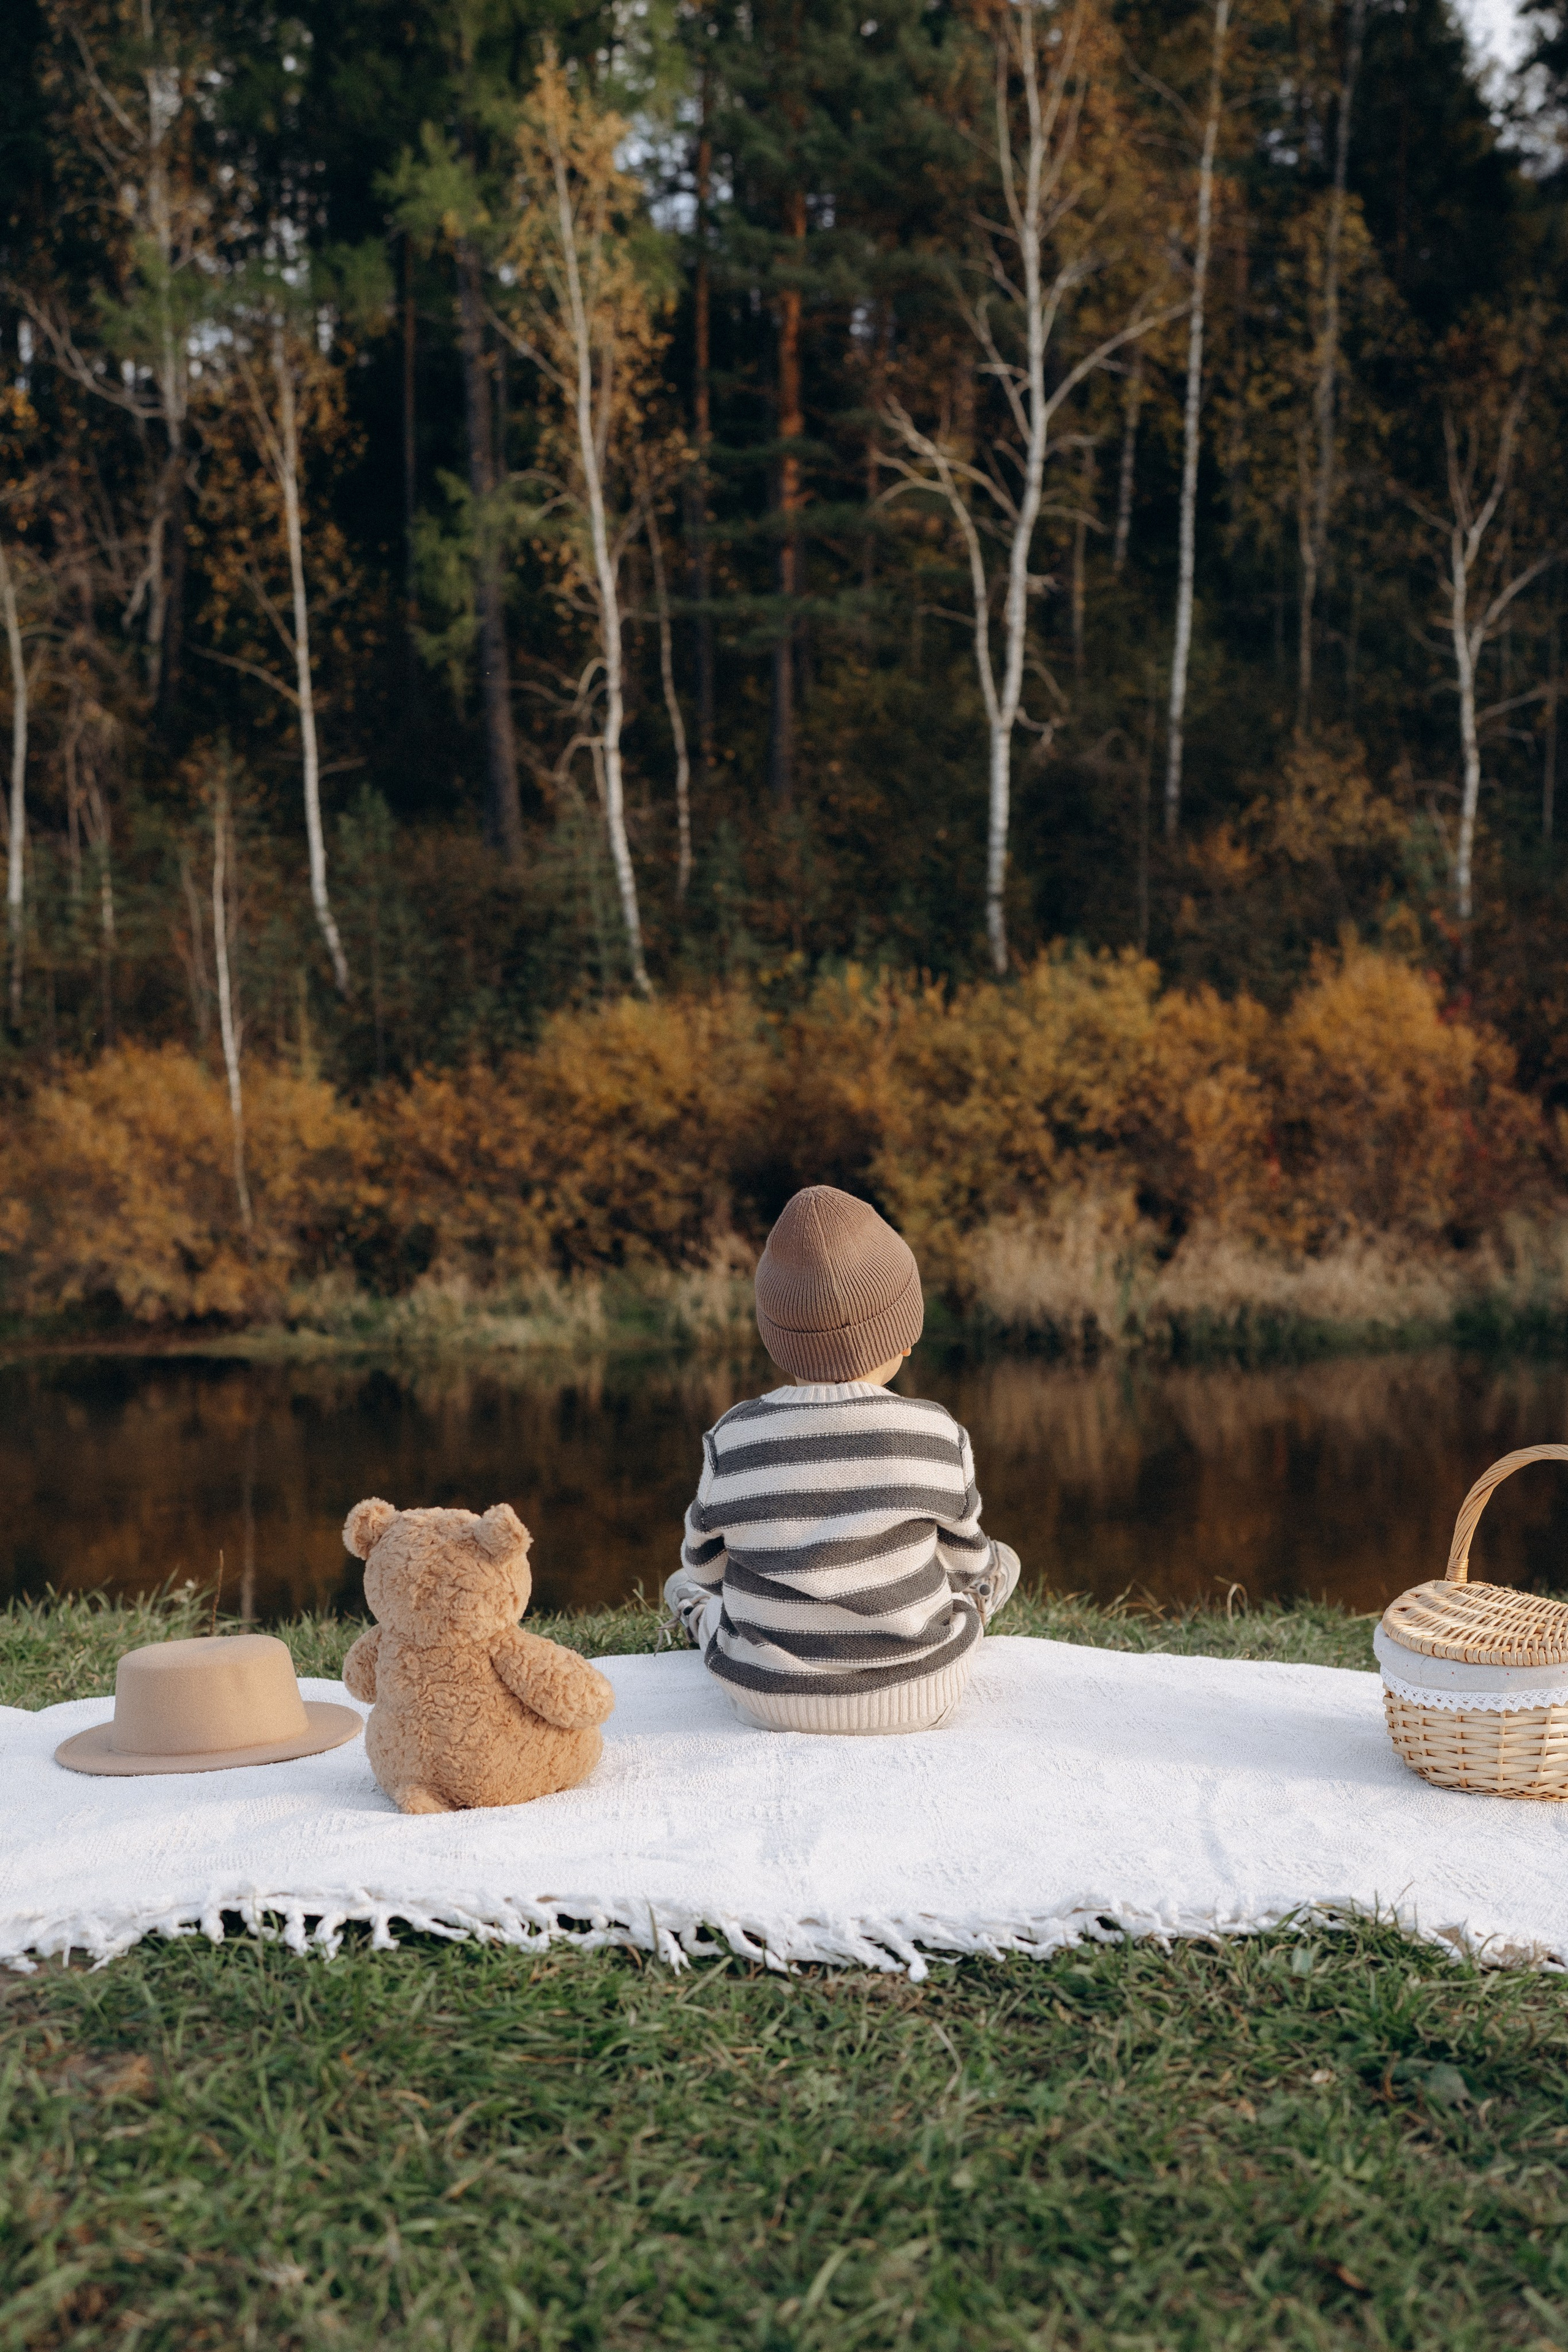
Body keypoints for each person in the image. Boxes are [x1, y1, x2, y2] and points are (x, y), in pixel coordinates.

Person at [663, 1184, 1019, 1733]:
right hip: (919, 1691)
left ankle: (690, 1620)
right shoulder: (935, 1433)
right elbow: (966, 1561)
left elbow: (705, 1567)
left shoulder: (733, 1438)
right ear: (905, 1334)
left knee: (684, 1589)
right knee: (995, 1566)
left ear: (776, 1341)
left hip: (768, 1698)